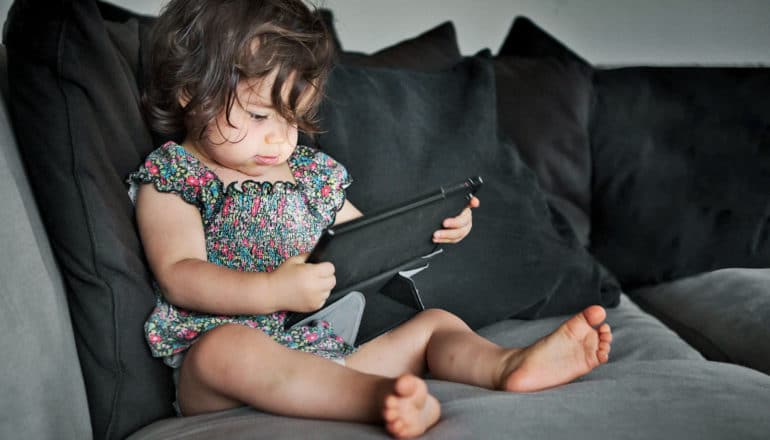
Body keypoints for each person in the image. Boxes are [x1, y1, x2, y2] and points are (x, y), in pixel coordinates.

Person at [128, 0, 613, 438]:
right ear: (192, 91)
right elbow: (179, 275)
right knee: (226, 348)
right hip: (220, 367)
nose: (280, 140)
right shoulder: (176, 175)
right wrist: (271, 291)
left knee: (434, 324)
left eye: (293, 119)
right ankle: (376, 400)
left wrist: (431, 232)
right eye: (259, 116)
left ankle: (507, 365)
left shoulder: (310, 175)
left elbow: (365, 241)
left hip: (318, 350)